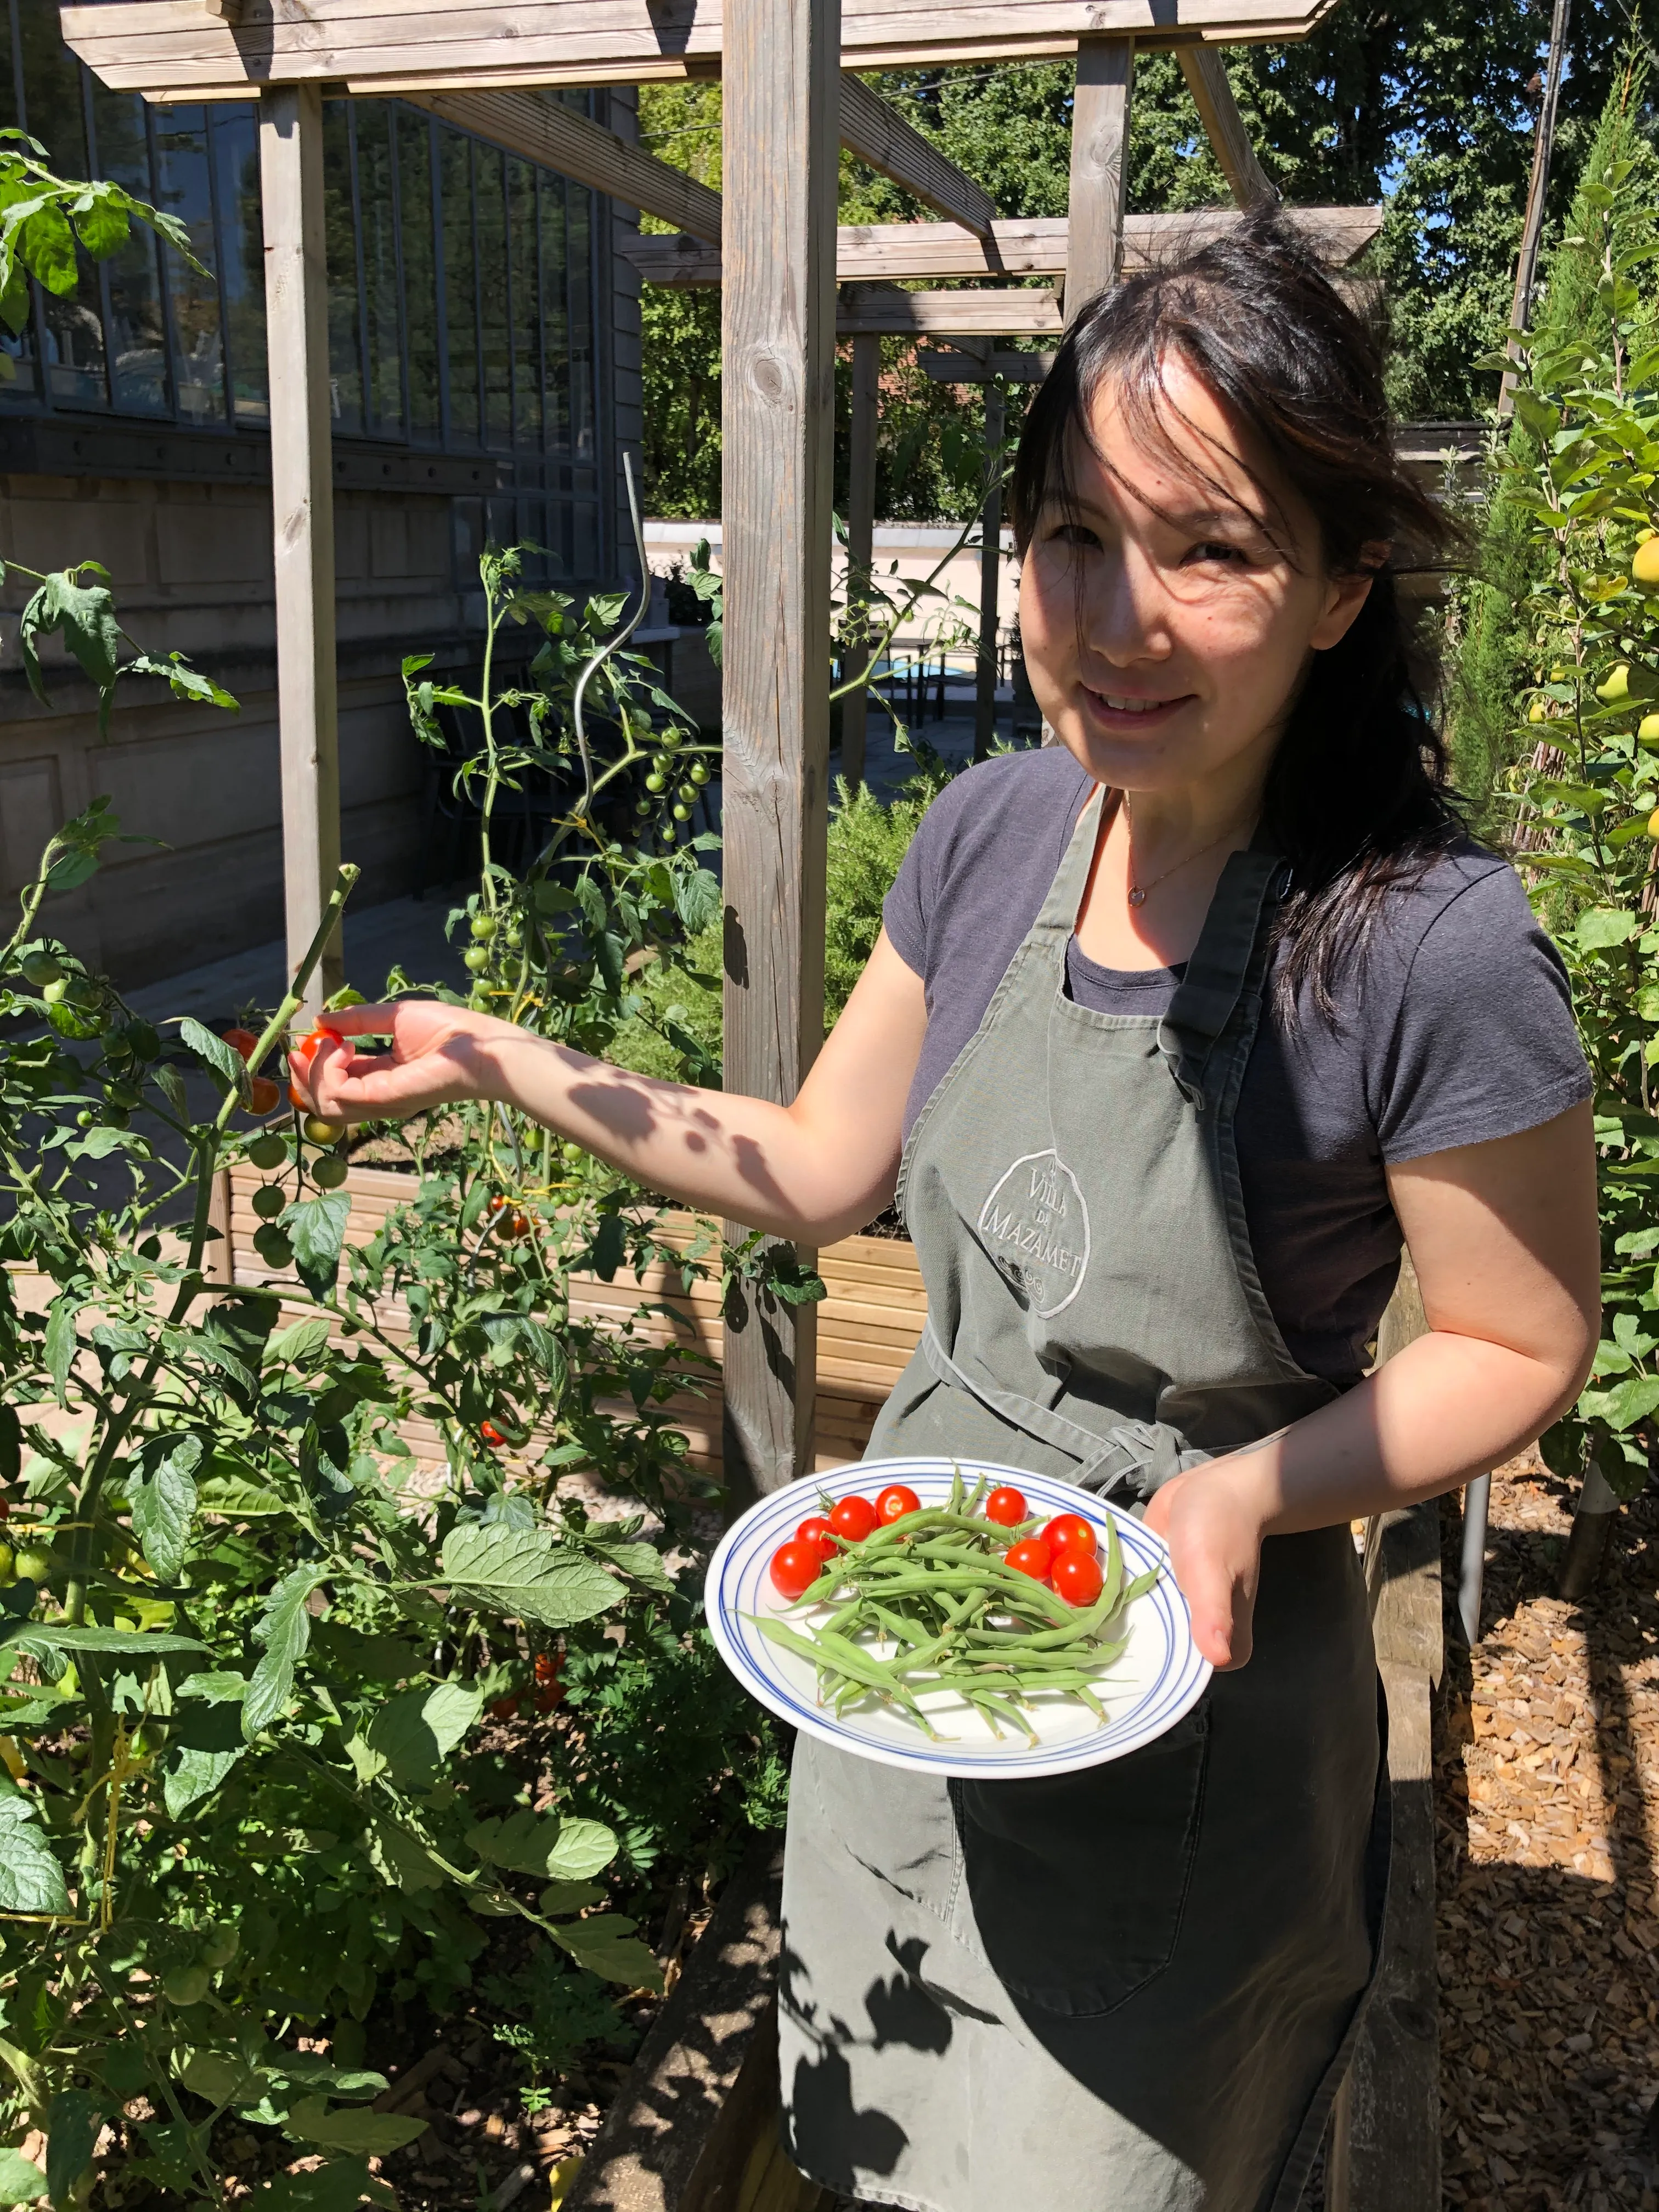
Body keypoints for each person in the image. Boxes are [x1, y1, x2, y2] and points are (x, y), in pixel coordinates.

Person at [296, 208, 1600, 2212]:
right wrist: (493, 1057)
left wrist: (1250, 1493)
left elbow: (1525, 1343)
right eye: (1074, 536)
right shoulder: (995, 829)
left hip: (1202, 1691)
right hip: (914, 1678)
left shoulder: (1428, 942)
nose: (1115, 616)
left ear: (1342, 587)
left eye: (1212, 549)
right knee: (880, 2141)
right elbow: (820, 1171)